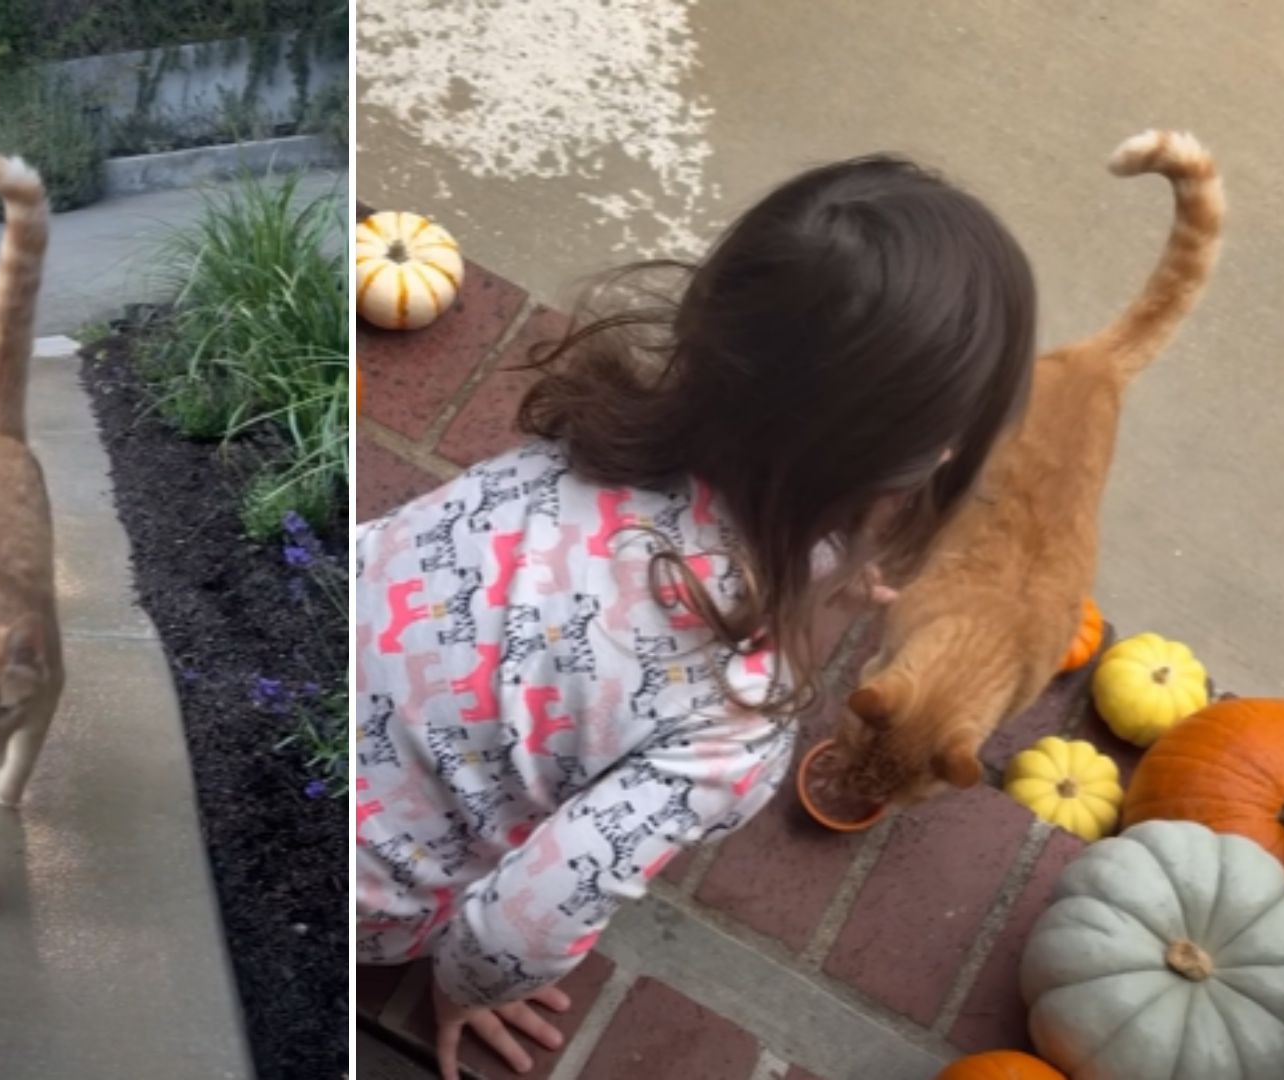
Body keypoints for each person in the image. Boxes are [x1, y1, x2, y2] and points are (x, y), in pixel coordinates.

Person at [353, 154, 1037, 1079]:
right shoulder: (730, 729)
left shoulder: (582, 452)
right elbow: (522, 921)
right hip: (364, 889)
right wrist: (475, 985)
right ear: (928, 465)